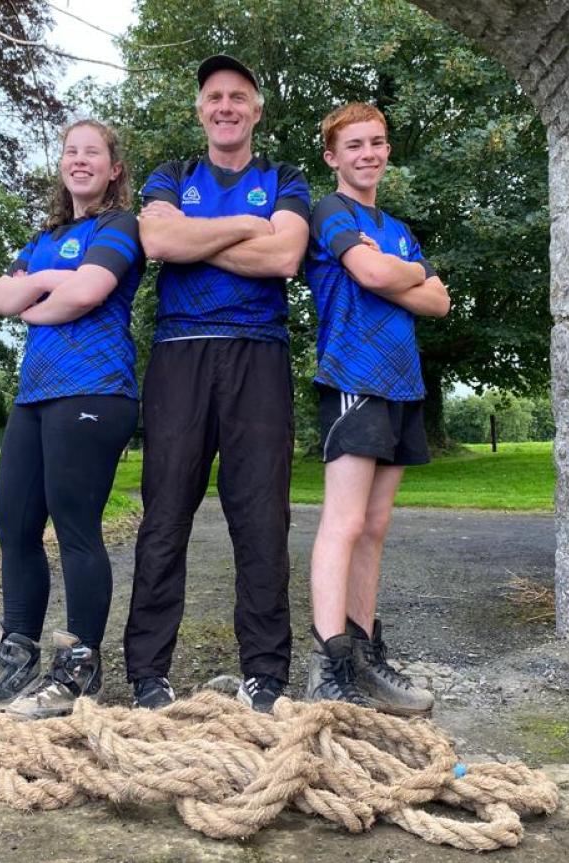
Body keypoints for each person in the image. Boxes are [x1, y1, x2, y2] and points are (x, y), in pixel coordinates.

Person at [0, 120, 144, 719]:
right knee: (14, 522)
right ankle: (14, 657)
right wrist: (54, 286)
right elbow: (1, 298)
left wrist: (43, 294)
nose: (80, 161)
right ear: (62, 164)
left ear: (113, 168)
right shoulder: (44, 235)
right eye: (70, 152)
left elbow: (89, 292)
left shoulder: (119, 226)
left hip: (97, 390)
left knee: (75, 526)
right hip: (34, 396)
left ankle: (79, 668)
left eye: (92, 153)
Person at [123, 55, 311, 714]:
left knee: (262, 518)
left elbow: (285, 255)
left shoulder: (283, 177)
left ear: (257, 109)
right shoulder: (173, 174)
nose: (226, 106)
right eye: (214, 96)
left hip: (259, 356)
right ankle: (148, 672)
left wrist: (191, 240)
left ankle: (265, 672)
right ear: (200, 109)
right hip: (179, 354)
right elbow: (155, 238)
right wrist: (240, 229)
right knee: (165, 515)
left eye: (238, 96)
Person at [303, 102, 450, 715]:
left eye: (378, 142)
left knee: (376, 526)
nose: (368, 153)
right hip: (352, 379)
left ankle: (364, 655)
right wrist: (405, 274)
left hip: (402, 384)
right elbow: (365, 272)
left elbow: (439, 301)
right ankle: (327, 660)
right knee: (343, 522)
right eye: (355, 144)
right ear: (333, 156)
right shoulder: (330, 210)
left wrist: (406, 269)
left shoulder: (397, 227)